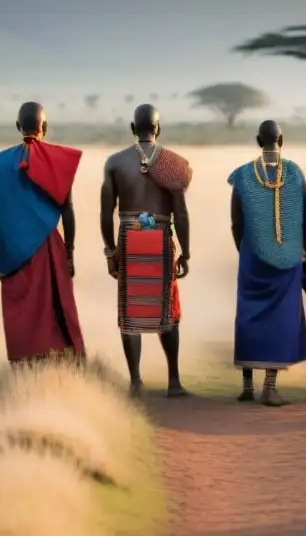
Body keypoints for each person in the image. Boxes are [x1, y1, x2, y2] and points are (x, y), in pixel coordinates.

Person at [228, 120, 306, 406]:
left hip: (252, 257)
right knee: (280, 320)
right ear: (281, 140)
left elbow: (236, 222)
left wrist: (247, 251)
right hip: (287, 259)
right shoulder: (295, 174)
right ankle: (269, 387)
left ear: (258, 140)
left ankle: (247, 386)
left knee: (248, 316)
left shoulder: (242, 175)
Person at [101, 104, 192, 397]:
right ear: (158, 129)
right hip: (162, 238)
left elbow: (106, 214)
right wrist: (186, 253)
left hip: (130, 239)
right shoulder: (175, 163)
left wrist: (110, 251)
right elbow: (182, 214)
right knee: (168, 311)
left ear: (132, 129)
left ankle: (136, 381)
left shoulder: (115, 163)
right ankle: (174, 382)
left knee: (132, 312)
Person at [0, 102, 85, 364]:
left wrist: (1, 256)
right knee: (56, 310)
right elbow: (68, 210)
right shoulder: (58, 160)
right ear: (45, 127)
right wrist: (70, 253)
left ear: (18, 127)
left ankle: (27, 366)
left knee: (23, 310)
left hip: (14, 249)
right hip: (49, 247)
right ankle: (62, 366)